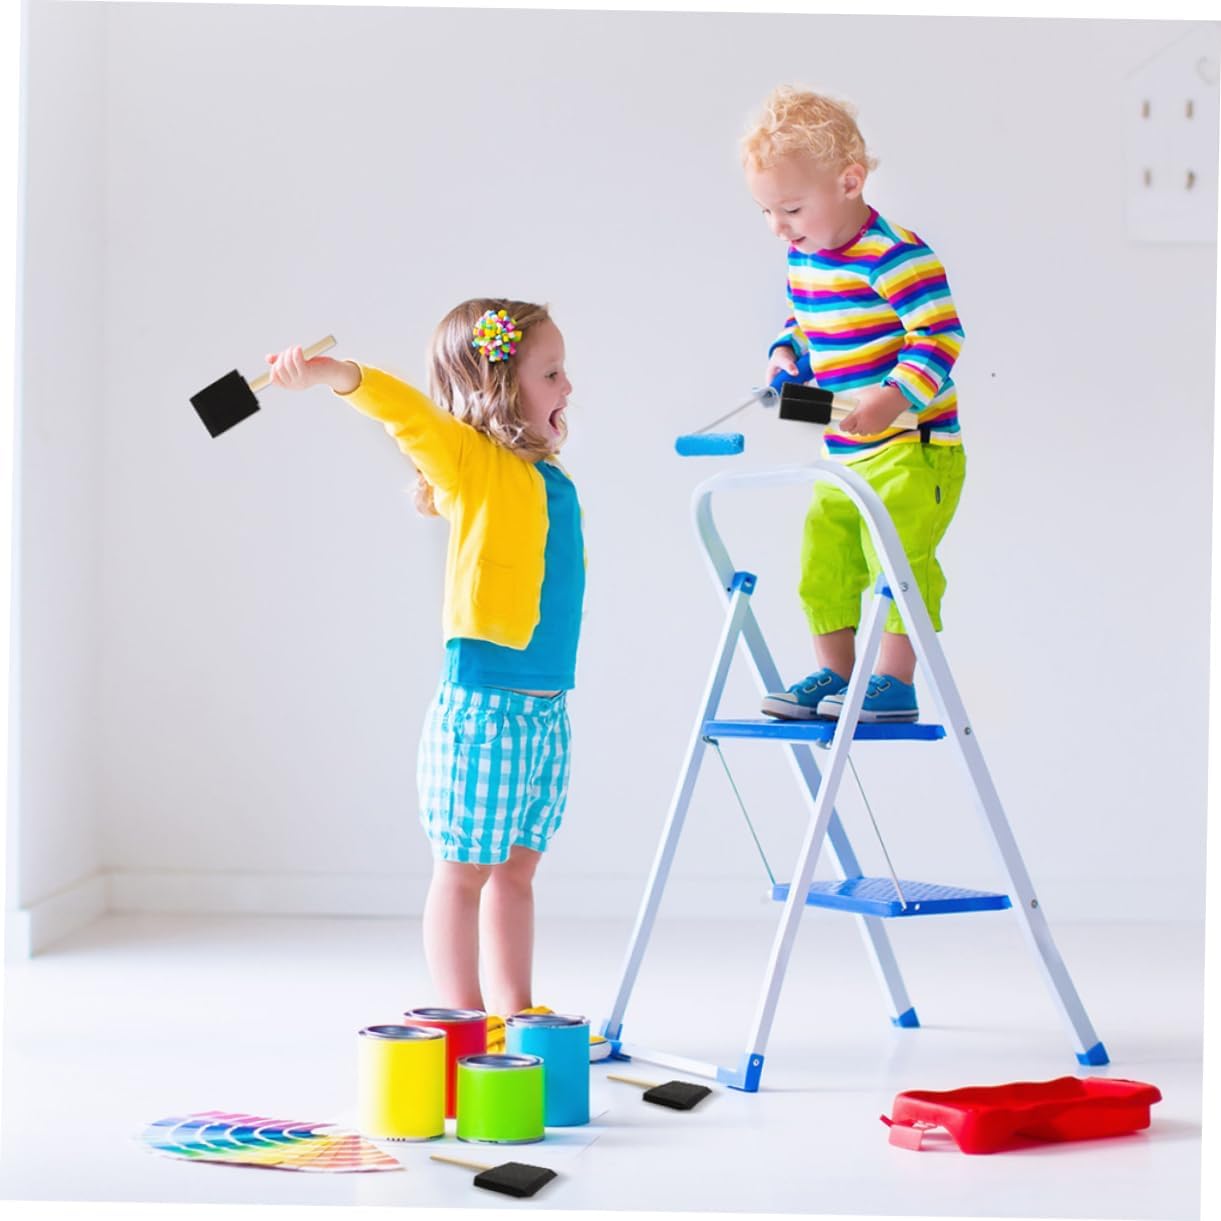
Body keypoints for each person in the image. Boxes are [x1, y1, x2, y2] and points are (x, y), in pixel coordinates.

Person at [265, 298, 607, 1059]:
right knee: (463, 872)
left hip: (546, 708)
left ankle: (518, 1013)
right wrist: (335, 374)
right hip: (485, 706)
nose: (567, 387)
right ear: (500, 388)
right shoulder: (472, 464)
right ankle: (464, 1020)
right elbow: (409, 415)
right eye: (551, 374)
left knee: (517, 870)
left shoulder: (552, 480)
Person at [741, 86, 967, 723]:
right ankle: (836, 676)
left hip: (912, 446)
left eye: (791, 209)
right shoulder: (803, 258)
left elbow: (940, 336)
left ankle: (893, 681)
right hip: (843, 448)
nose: (779, 227)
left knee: (896, 561)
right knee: (824, 559)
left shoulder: (896, 255)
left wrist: (895, 397)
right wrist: (786, 354)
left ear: (849, 181)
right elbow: (808, 322)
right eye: (766, 212)